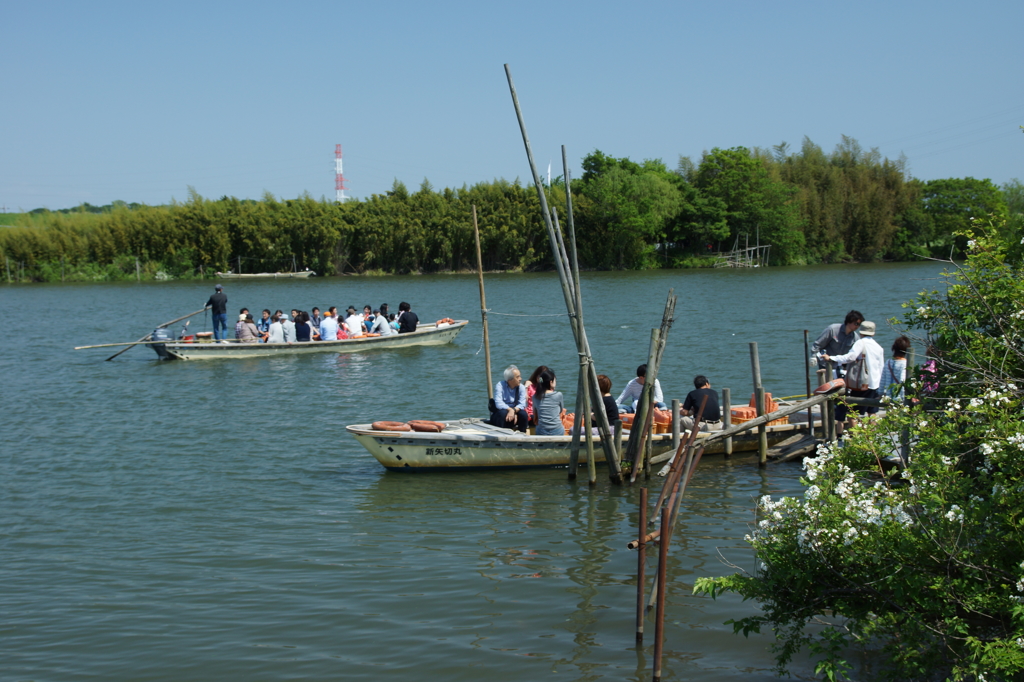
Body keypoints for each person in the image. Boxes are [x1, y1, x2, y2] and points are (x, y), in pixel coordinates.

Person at [824, 319, 884, 436]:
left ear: (861, 332)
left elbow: (850, 357)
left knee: (852, 412)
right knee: (872, 412)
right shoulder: (879, 347)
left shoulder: (860, 343)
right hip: (874, 383)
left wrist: (832, 358)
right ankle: (873, 436)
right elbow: (880, 367)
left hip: (861, 383)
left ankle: (855, 438)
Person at [811, 310, 864, 379]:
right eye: (856, 324)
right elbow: (817, 344)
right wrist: (813, 357)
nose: (858, 326)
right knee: (826, 387)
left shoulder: (855, 338)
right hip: (826, 366)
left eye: (859, 324)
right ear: (849, 321)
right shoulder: (832, 329)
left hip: (840, 369)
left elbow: (855, 356)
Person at [488, 365, 529, 432]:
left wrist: (513, 411)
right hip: (501, 412)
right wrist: (510, 410)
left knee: (523, 414)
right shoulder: (500, 385)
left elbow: (522, 404)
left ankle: (522, 434)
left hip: (515, 410)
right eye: (517, 377)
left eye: (520, 376)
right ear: (510, 380)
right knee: (502, 413)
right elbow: (498, 403)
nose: (520, 379)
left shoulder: (521, 387)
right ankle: (500, 434)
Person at [532, 369, 565, 436]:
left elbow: (535, 412)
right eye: (555, 380)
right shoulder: (558, 395)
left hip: (541, 431)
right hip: (557, 430)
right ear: (551, 382)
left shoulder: (535, 396)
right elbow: (561, 410)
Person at [879, 335, 911, 402]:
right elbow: (902, 381)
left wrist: (880, 394)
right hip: (899, 398)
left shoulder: (888, 362)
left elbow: (882, 380)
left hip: (888, 398)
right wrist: (905, 398)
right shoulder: (905, 364)